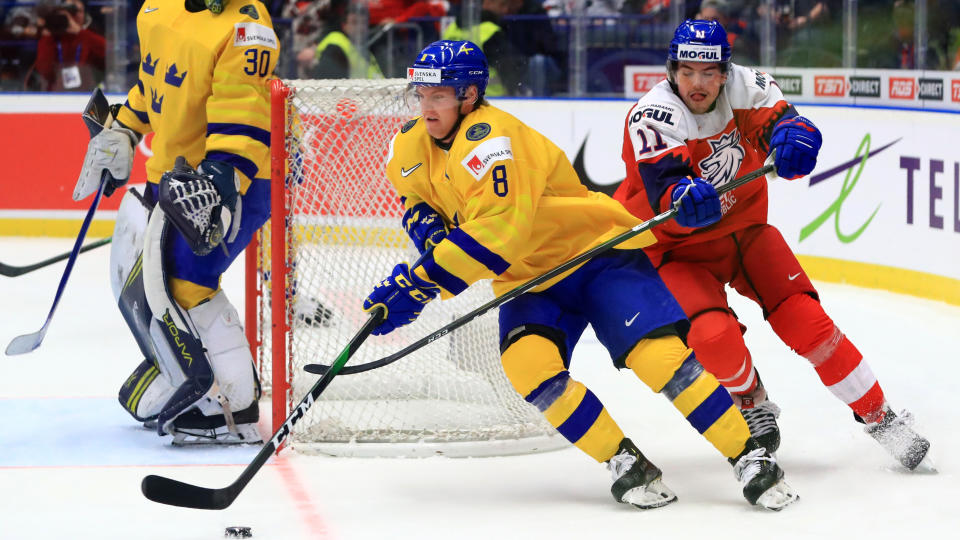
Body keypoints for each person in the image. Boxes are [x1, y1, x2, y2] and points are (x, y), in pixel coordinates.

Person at [362, 39, 798, 510]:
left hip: (593, 255)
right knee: (528, 366)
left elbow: (495, 235)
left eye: (439, 96)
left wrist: (418, 283)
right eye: (421, 96)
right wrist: (425, 225)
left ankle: (750, 456)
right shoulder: (409, 143)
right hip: (529, 280)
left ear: (469, 95)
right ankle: (626, 462)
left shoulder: (490, 140)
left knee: (658, 357)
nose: (427, 108)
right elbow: (415, 196)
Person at [614, 19, 931, 470]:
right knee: (712, 338)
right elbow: (665, 186)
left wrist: (796, 139)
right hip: (676, 248)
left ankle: (882, 418)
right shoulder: (652, 114)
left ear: (725, 72)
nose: (698, 83)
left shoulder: (751, 87)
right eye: (687, 71)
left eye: (709, 72)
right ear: (671, 70)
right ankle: (750, 398)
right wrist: (680, 196)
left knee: (811, 325)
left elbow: (786, 125)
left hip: (744, 231)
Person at [72, 0, 278, 444]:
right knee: (155, 284)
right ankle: (186, 374)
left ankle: (232, 408)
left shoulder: (247, 24)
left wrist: (223, 175)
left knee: (188, 285)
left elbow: (244, 106)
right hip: (168, 178)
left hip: (234, 180)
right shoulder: (156, 9)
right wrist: (124, 128)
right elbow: (152, 84)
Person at [33, 0, 105, 91]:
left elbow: (108, 55)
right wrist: (50, 33)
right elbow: (45, 71)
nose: (73, 16)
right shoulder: (52, 38)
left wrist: (80, 32)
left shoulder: (91, 34)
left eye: (77, 11)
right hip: (56, 93)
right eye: (68, 12)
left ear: (85, 14)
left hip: (87, 92)